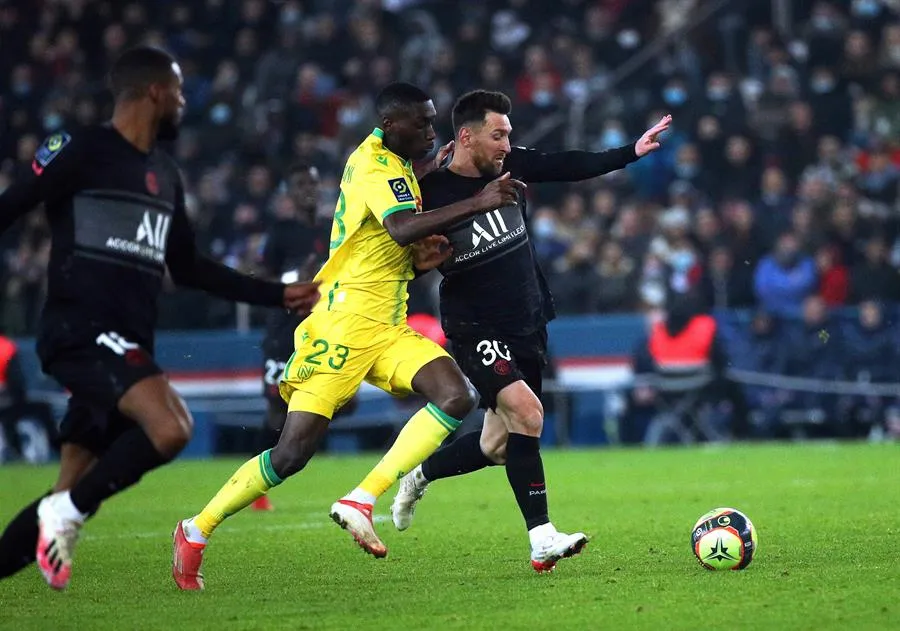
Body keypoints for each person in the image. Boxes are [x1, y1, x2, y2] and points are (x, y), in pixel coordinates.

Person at [172, 82, 524, 590]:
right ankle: (195, 529)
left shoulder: (401, 164)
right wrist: (481, 199)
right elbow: (402, 228)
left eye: (432, 122)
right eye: (421, 124)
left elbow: (391, 249)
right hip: (341, 326)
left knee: (455, 395)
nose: (431, 132)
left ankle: (363, 497)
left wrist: (421, 260)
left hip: (386, 327)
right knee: (292, 453)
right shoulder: (376, 163)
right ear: (390, 125)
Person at [0, 46, 321, 590]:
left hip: (125, 345)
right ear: (154, 92)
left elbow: (190, 267)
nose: (181, 102)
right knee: (172, 428)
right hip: (78, 330)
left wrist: (277, 295)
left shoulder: (164, 176)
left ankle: (62, 514)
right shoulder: (82, 150)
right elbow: (12, 205)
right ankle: (68, 514)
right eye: (175, 91)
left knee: (69, 488)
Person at [389, 90, 671, 572]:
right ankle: (542, 540)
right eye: (497, 135)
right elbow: (406, 252)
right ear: (466, 136)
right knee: (529, 411)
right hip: (475, 324)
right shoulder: (430, 191)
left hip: (528, 319)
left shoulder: (508, 165)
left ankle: (419, 474)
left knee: (497, 445)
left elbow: (566, 164)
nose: (506, 143)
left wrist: (631, 151)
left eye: (509, 135)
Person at [253, 162, 336, 512]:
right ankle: (257, 487)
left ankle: (319, 476)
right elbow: (260, 277)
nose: (310, 189)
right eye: (301, 183)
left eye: (314, 183)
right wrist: (295, 277)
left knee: (329, 401)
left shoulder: (333, 229)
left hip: (321, 329)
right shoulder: (280, 232)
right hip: (283, 331)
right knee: (276, 407)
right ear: (289, 192)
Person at [0, 332, 27, 461]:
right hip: (6, 397)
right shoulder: (7, 347)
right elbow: (16, 379)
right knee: (9, 425)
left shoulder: (6, 347)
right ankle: (16, 453)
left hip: (5, 397)